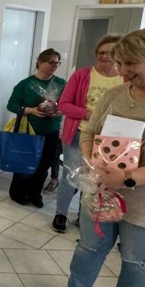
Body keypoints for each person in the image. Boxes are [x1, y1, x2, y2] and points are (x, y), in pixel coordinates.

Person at [48, 28, 145, 287]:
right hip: (103, 189)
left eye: (130, 63)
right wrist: (91, 160)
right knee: (88, 247)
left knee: (137, 260)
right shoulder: (115, 94)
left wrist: (127, 177)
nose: (121, 71)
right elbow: (88, 132)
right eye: (119, 63)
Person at [53, 35, 122, 233]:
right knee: (71, 174)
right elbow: (64, 104)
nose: (104, 56)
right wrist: (88, 114)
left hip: (109, 139)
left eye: (109, 52)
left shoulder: (125, 78)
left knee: (96, 177)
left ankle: (84, 215)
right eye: (100, 52)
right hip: (78, 133)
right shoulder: (82, 75)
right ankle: (61, 214)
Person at [7, 49, 66, 208]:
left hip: (51, 130)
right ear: (40, 62)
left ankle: (35, 194)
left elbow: (67, 104)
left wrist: (59, 111)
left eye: (57, 63)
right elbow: (11, 105)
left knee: (44, 165)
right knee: (24, 163)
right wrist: (31, 110)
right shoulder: (25, 84)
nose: (54, 66)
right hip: (29, 130)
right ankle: (18, 193)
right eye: (51, 62)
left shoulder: (61, 83)